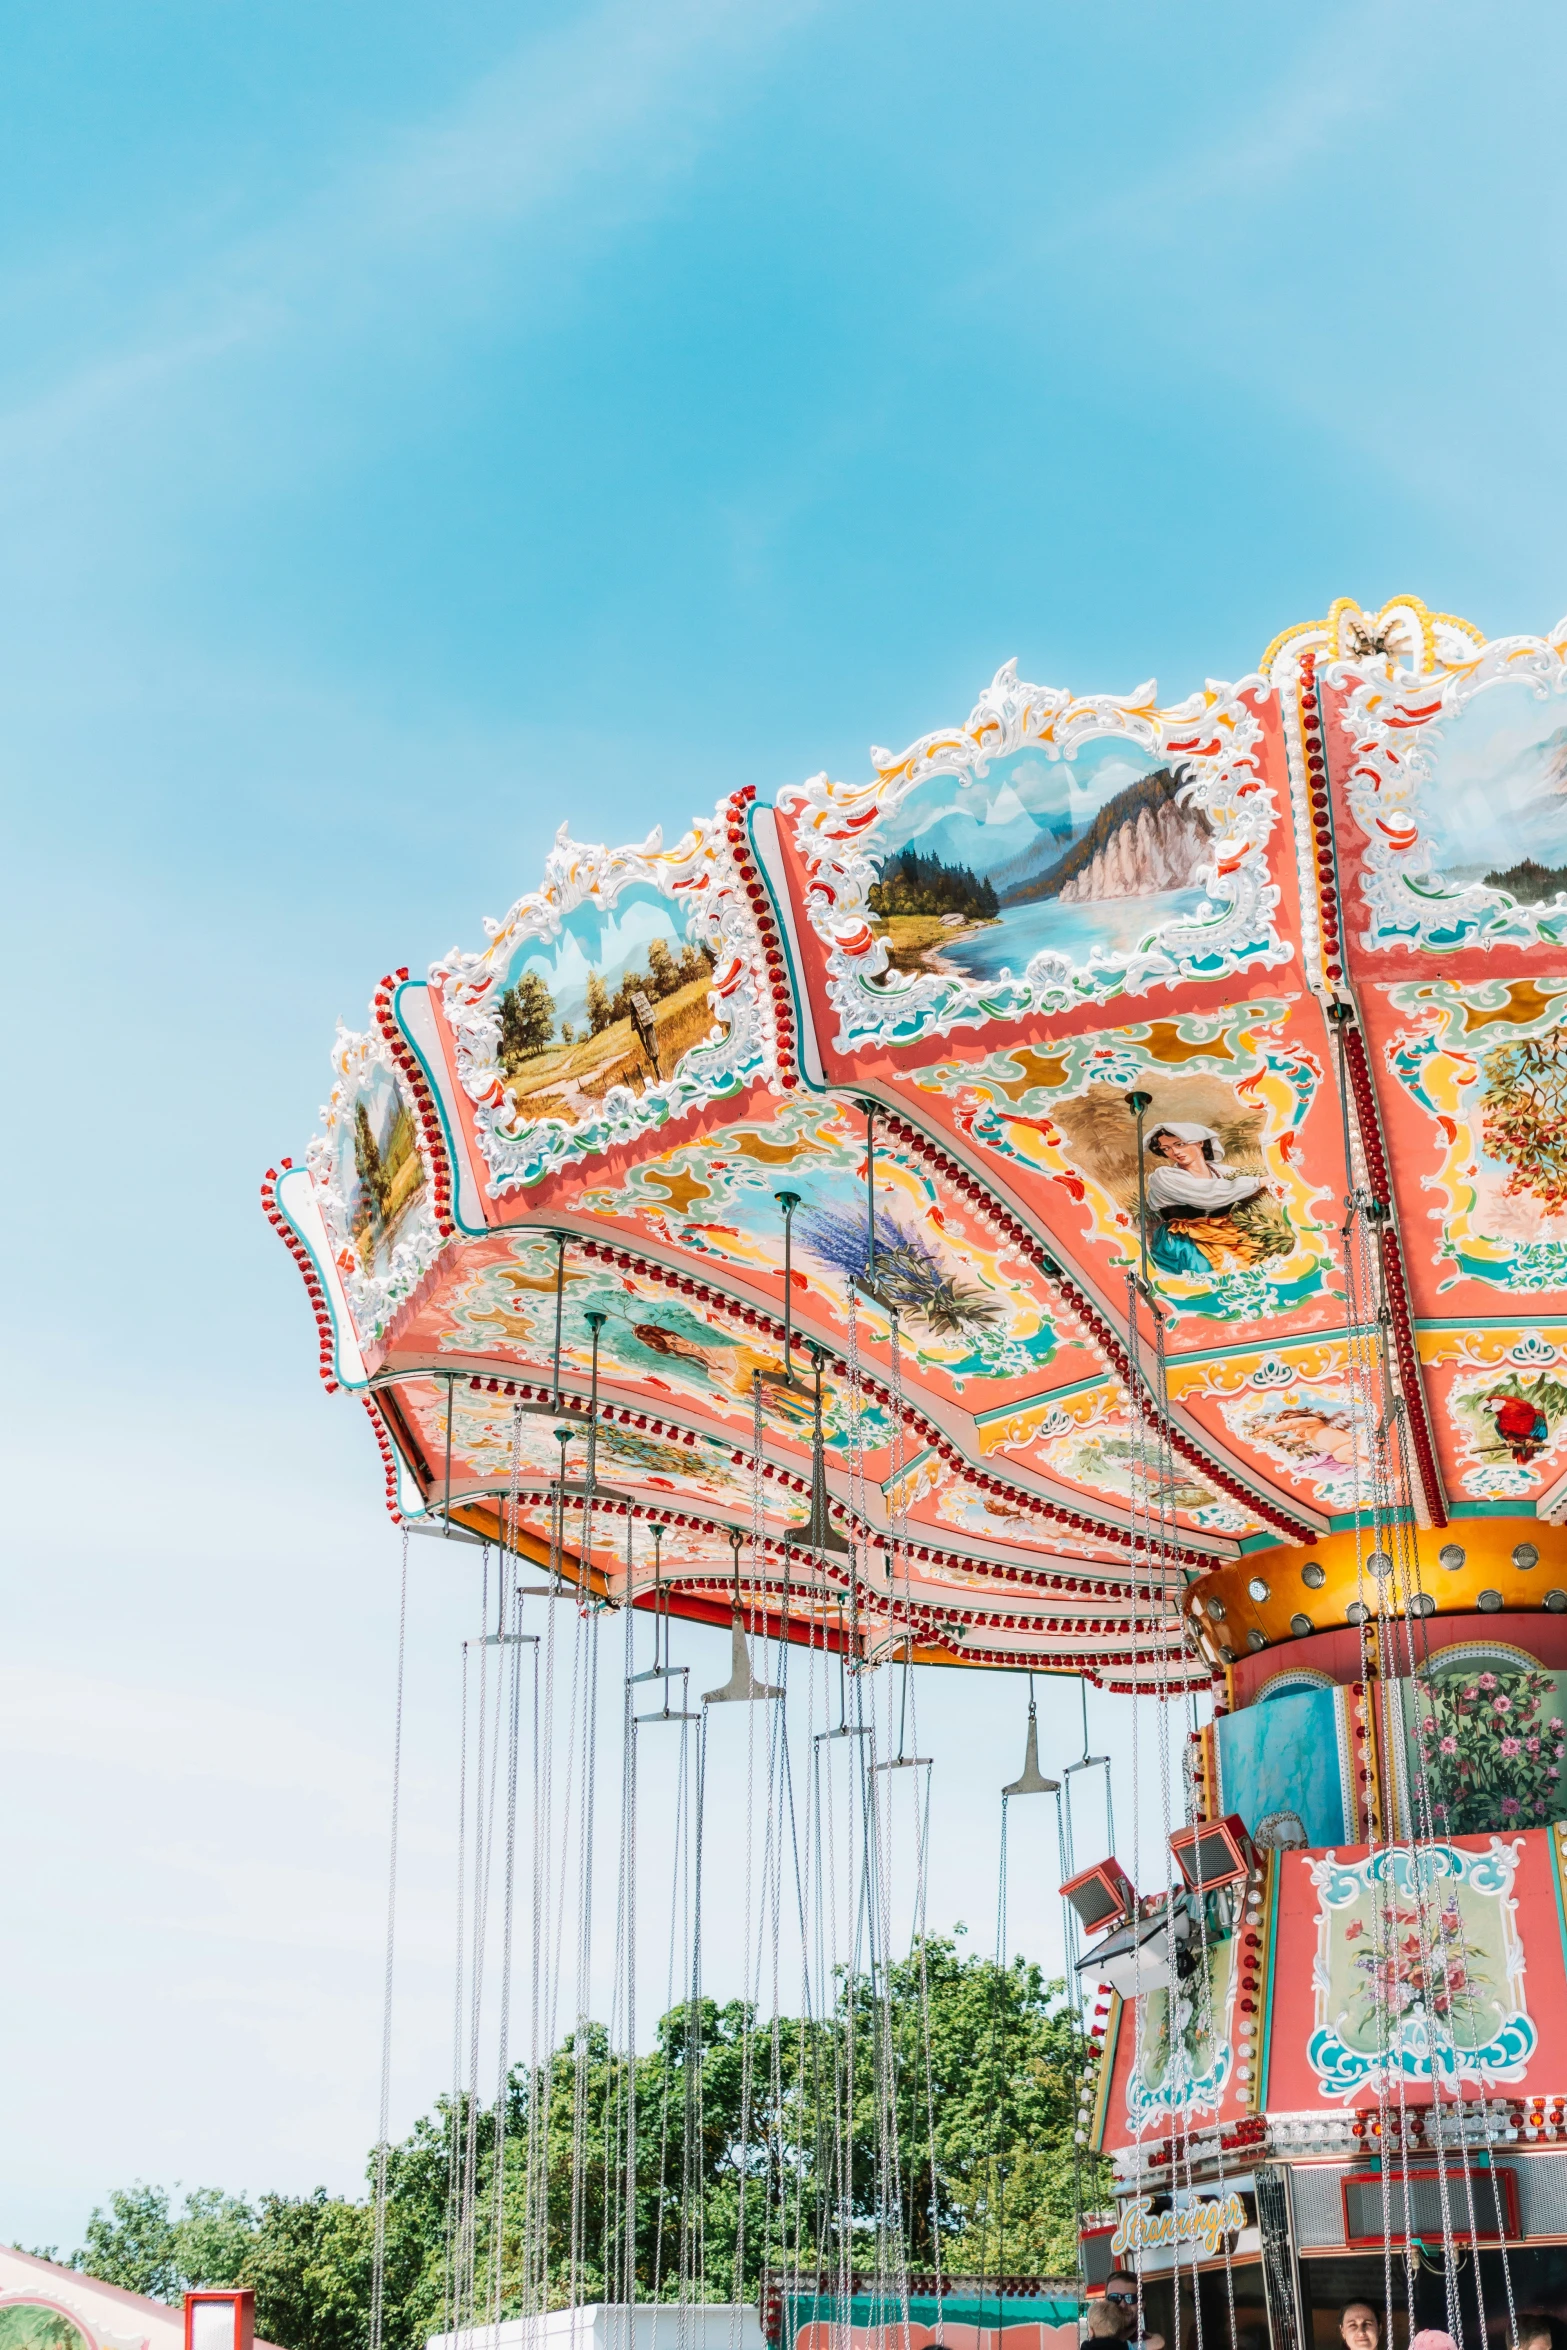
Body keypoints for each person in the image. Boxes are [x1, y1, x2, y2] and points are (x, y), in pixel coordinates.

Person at [1140, 1121, 1290, 1279]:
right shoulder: (1164, 1176)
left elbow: (1247, 1179)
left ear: (1200, 1142)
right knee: (1205, 1271)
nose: (1175, 1151)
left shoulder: (1220, 1171)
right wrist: (1258, 1182)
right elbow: (1208, 1194)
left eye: (1180, 1144)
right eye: (1166, 1148)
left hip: (1226, 1230)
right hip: (1185, 1237)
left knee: (1260, 1260)